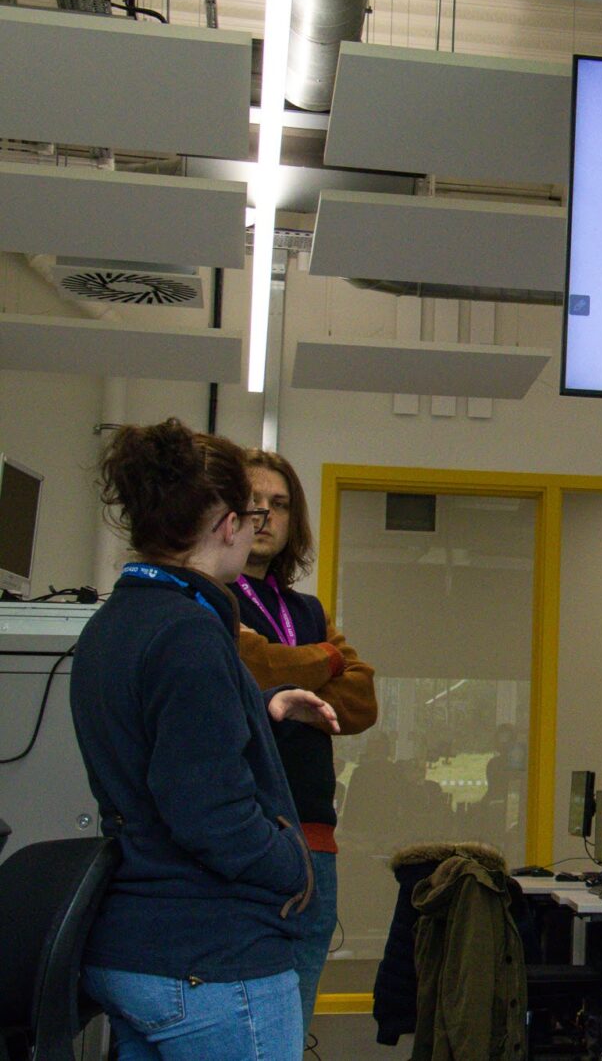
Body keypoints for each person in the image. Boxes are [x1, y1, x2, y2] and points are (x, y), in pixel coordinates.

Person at [70, 418, 337, 1059]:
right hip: (211, 960)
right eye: (251, 515)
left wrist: (260, 711)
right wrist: (289, 864)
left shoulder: (114, 624)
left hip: (136, 949)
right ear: (227, 526)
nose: (256, 529)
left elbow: (152, 750)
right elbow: (207, 811)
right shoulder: (190, 633)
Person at [229, 449, 378, 1035]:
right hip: (251, 834)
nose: (265, 514)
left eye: (280, 504)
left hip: (316, 840)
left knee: (292, 1019)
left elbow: (362, 703)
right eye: (254, 502)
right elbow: (253, 665)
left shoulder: (305, 608)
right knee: (246, 1020)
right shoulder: (212, 595)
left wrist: (291, 694)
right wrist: (328, 659)